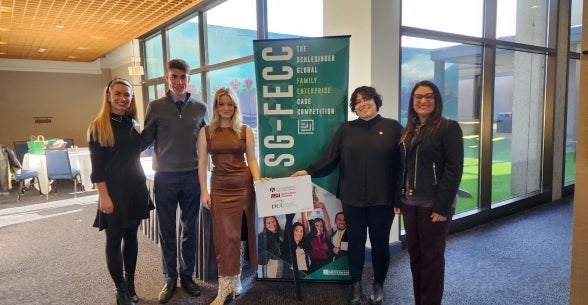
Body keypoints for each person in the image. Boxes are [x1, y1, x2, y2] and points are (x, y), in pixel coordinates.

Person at [292, 86, 402, 305]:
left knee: (380, 244)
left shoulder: (393, 128)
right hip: (352, 200)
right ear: (354, 107)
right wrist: (309, 171)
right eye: (357, 101)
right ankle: (356, 285)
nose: (363, 103)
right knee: (356, 244)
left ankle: (379, 284)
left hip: (383, 200)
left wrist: (399, 199)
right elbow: (330, 158)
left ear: (376, 101)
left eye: (367, 99)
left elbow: (402, 167)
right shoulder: (346, 130)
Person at [141, 59, 208, 304]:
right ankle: (170, 278)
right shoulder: (155, 106)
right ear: (166, 79)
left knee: (190, 230)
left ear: (189, 80)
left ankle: (187, 276)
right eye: (174, 77)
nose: (179, 82)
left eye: (183, 77)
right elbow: (145, 139)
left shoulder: (201, 108)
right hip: (165, 178)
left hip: (192, 177)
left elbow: (207, 143)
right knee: (167, 230)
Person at [394, 80, 463, 305]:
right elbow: (401, 168)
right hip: (409, 203)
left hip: (433, 206)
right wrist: (398, 199)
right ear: (412, 101)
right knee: (415, 256)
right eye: (418, 97)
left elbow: (453, 170)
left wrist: (442, 207)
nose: (423, 101)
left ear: (436, 100)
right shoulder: (407, 131)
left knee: (432, 259)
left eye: (429, 96)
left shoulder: (448, 128)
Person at [87, 78, 152, 305]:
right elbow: (97, 170)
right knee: (113, 240)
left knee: (131, 237)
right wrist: (104, 196)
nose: (123, 98)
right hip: (113, 192)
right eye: (118, 94)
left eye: (127, 94)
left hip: (135, 188)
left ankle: (131, 284)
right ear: (108, 96)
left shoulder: (132, 122)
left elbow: (136, 150)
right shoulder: (98, 126)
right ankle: (120, 290)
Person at [197, 87, 263, 305]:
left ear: (235, 106)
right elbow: (202, 165)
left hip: (243, 187)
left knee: (240, 234)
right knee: (224, 236)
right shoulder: (206, 131)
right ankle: (224, 285)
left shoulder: (245, 130)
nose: (225, 108)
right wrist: (204, 191)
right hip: (219, 187)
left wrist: (258, 181)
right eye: (221, 104)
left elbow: (252, 159)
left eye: (230, 104)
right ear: (215, 107)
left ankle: (235, 283)